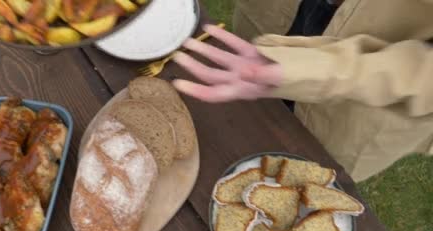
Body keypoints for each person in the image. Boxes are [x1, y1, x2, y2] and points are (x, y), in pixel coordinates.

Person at [172, 0, 433, 182]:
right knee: (229, 125)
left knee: (292, 182)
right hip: (280, 13)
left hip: (363, 97)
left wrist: (313, 70)